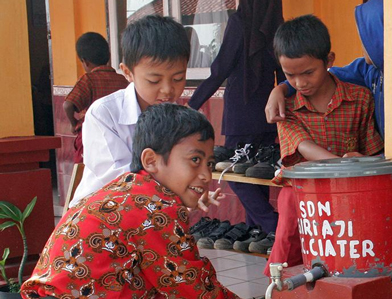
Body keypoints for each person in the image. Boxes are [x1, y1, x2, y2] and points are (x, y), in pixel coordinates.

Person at [20, 104, 239, 299]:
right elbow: (192, 286)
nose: (206, 175)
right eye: (195, 160)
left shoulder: (126, 188)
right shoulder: (157, 208)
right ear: (151, 160)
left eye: (209, 163)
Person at [263, 14, 384, 276]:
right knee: (289, 249)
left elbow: (374, 152)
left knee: (346, 257)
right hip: (300, 192)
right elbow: (303, 146)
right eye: (290, 76)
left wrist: (360, 158)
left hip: (350, 192)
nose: (299, 83)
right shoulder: (286, 107)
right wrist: (342, 164)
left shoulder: (360, 99)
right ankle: (281, 288)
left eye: (308, 73)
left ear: (329, 60)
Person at [68, 16, 223, 212]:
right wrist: (182, 189)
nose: (168, 90)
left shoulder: (183, 120)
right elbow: (121, 180)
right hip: (101, 216)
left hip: (151, 215)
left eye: (178, 78)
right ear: (128, 72)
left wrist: (191, 192)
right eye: (154, 80)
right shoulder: (104, 114)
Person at [188, 0, 284, 242]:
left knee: (234, 173)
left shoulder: (239, 23)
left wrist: (191, 104)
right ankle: (260, 235)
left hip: (241, 115)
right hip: (267, 114)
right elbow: (283, 74)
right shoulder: (276, 25)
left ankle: (274, 224)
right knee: (256, 174)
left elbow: (220, 68)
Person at [265, 0, 386, 137]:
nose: (363, 43)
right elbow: (327, 75)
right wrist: (280, 89)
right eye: (291, 75)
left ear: (380, 35)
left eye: (366, 36)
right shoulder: (365, 69)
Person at [63, 32, 129, 163]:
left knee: (85, 172)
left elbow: (68, 105)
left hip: (91, 135)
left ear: (85, 62)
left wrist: (73, 124)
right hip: (119, 136)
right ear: (109, 57)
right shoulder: (122, 80)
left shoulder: (88, 80)